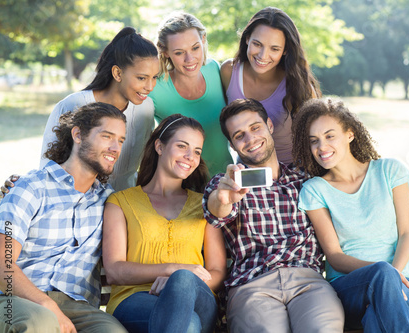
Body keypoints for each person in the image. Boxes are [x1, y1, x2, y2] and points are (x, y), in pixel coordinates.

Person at [204, 98, 344, 332]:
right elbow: (217, 212)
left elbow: (354, 181)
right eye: (239, 136)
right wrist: (224, 199)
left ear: (269, 125)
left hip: (308, 282)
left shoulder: (304, 180)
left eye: (255, 128)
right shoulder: (226, 184)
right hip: (252, 285)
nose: (250, 139)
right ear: (232, 145)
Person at [293, 97, 409, 331]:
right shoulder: (315, 190)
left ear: (350, 134)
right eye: (314, 141)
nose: (321, 147)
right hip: (350, 287)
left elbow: (405, 233)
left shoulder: (389, 170)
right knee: (382, 276)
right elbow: (334, 256)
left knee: (376, 317)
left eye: (329, 136)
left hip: (405, 285)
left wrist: (392, 276)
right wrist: (381, 273)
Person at [0, 102, 127, 332]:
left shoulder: (110, 202)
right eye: (107, 136)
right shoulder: (31, 187)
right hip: (16, 298)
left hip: (79, 307)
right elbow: (1, 262)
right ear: (77, 134)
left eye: (120, 141)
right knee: (42, 323)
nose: (115, 148)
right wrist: (46, 304)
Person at [102, 114, 227, 333]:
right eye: (182, 146)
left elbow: (216, 271)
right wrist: (173, 270)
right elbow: (114, 270)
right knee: (189, 324)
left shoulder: (204, 204)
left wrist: (179, 285)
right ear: (159, 146)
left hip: (200, 297)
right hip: (134, 299)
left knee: (183, 282)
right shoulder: (121, 202)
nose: (190, 157)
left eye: (197, 151)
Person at [40, 26, 159, 191]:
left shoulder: (146, 108)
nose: (150, 86)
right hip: (77, 205)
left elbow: (144, 164)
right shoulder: (72, 105)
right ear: (117, 73)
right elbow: (47, 166)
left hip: (123, 207)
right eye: (141, 78)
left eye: (155, 78)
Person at [220, 7, 320, 165]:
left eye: (274, 49)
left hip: (292, 172)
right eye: (257, 44)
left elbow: (318, 136)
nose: (263, 55)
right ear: (247, 38)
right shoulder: (229, 71)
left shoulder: (298, 85)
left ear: (285, 50)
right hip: (248, 171)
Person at [139, 11, 231, 176]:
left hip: (226, 178)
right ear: (165, 52)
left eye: (195, 48)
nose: (190, 59)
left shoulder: (215, 70)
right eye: (179, 52)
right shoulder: (155, 89)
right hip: (182, 187)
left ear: (203, 40)